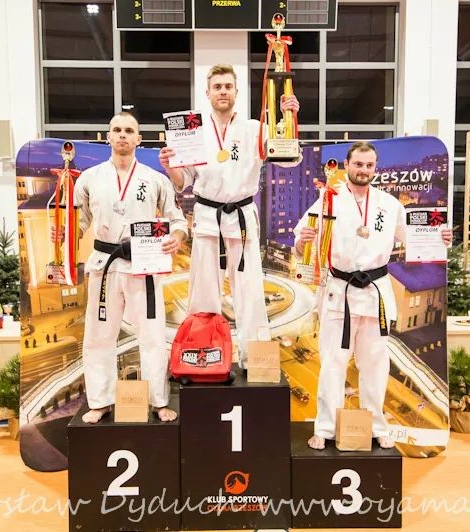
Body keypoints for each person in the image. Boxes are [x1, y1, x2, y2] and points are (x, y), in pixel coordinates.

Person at [294, 141, 452, 450]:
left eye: (369, 165)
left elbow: (417, 239)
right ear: (347, 166)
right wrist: (303, 240)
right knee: (333, 364)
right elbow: (302, 241)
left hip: (375, 292)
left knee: (376, 365)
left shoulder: (389, 205)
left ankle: (377, 426)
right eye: (358, 164)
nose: (363, 170)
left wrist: (440, 237)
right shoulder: (328, 200)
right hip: (339, 291)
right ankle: (325, 427)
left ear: (375, 168)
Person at [159, 63, 300, 366]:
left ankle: (255, 361)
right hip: (208, 217)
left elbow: (288, 159)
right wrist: (170, 167)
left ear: (236, 91)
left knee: (249, 292)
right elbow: (184, 181)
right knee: (203, 292)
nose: (223, 91)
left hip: (242, 217)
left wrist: (288, 120)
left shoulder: (255, 129)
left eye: (228, 87)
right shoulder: (194, 132)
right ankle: (204, 358)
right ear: (207, 93)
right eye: (217, 87)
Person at [71, 112, 187, 423]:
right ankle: (100, 401)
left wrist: (176, 237)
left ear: (138, 139)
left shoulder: (155, 179)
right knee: (99, 335)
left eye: (129, 130)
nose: (122, 135)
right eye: (117, 130)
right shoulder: (89, 178)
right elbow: (79, 222)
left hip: (143, 264)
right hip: (105, 264)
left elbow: (177, 220)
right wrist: (65, 234)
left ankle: (158, 401)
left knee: (152, 336)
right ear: (108, 136)